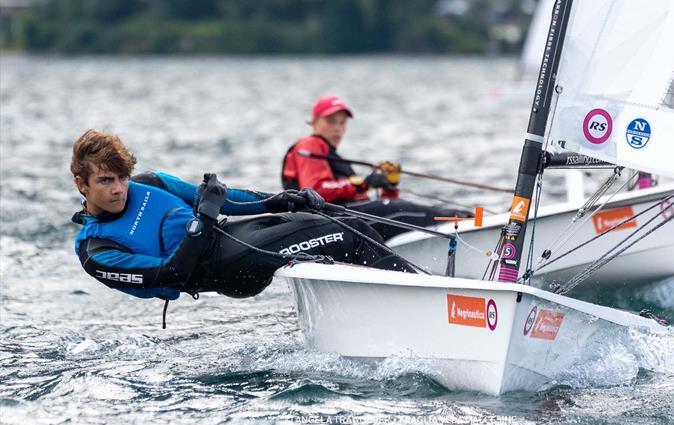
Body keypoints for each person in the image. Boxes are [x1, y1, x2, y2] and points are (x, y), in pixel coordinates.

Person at [70, 129, 416, 313]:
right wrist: (204, 217)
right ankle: (418, 301)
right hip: (226, 266)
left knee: (345, 221)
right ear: (82, 184)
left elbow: (225, 201)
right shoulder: (98, 249)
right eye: (105, 181)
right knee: (346, 236)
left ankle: (401, 297)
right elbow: (173, 275)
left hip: (235, 233)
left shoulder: (151, 183)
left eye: (121, 178)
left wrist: (279, 199)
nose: (118, 190)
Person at [281, 95, 471, 239]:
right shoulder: (309, 145)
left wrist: (389, 186)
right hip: (332, 222)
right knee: (408, 211)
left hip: (344, 219)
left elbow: (366, 201)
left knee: (403, 209)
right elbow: (315, 191)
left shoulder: (328, 154)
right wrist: (363, 182)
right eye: (331, 121)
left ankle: (470, 221)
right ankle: (471, 222)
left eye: (342, 123)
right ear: (314, 122)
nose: (337, 128)